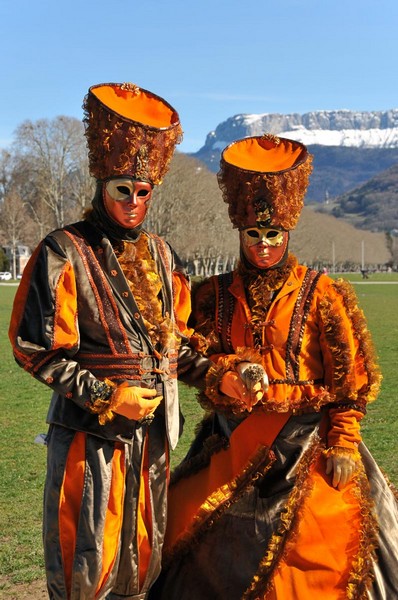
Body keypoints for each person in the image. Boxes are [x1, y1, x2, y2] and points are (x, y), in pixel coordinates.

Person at [152, 134, 398, 599]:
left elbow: (349, 381)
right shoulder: (213, 296)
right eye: (253, 235)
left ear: (287, 234)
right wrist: (229, 370)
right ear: (240, 234)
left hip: (309, 443)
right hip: (231, 441)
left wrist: (343, 443)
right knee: (185, 529)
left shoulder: (324, 294)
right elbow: (187, 353)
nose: (263, 246)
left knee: (322, 555)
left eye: (273, 235)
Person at [9, 82, 210, 600]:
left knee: (142, 557)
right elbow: (36, 346)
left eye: (144, 192)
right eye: (124, 189)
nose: (134, 201)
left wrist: (219, 374)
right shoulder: (64, 250)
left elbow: (176, 345)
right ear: (102, 183)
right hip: (89, 435)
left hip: (155, 438)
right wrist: (105, 395)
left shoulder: (164, 255)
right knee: (86, 557)